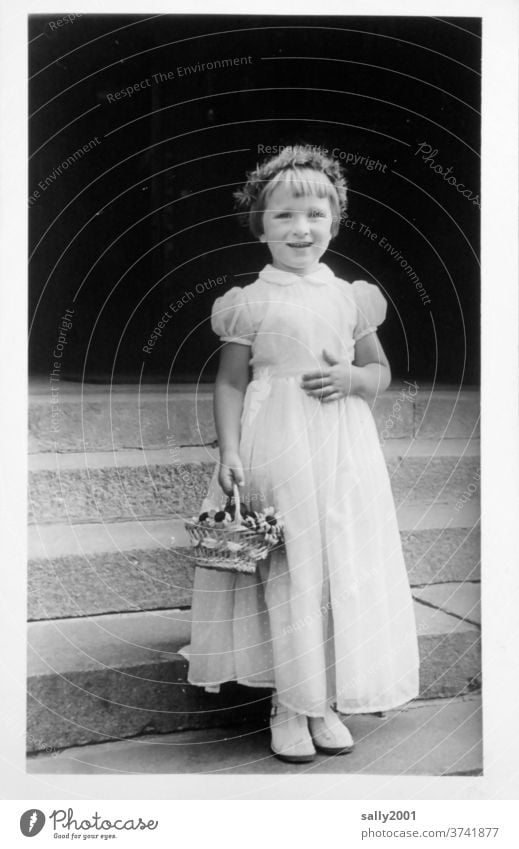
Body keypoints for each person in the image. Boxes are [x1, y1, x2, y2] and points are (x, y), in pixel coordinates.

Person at [183, 145, 420, 763]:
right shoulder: (247, 301)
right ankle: (290, 703)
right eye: (284, 215)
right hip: (276, 443)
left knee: (335, 562)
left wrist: (355, 382)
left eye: (316, 213)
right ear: (260, 224)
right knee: (287, 566)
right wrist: (229, 450)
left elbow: (380, 372)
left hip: (340, 447)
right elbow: (232, 382)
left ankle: (327, 701)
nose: (301, 228)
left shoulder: (351, 298)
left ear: (335, 222)